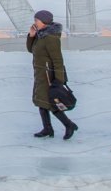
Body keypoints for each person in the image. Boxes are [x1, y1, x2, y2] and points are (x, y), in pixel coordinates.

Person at [26, 9, 77, 140]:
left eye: (36, 20)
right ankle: (47, 128)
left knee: (51, 103)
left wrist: (58, 80)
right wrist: (31, 36)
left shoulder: (50, 38)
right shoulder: (41, 34)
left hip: (49, 77)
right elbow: (31, 50)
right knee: (41, 102)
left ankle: (69, 125)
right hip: (41, 75)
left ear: (44, 21)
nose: (35, 22)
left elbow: (58, 59)